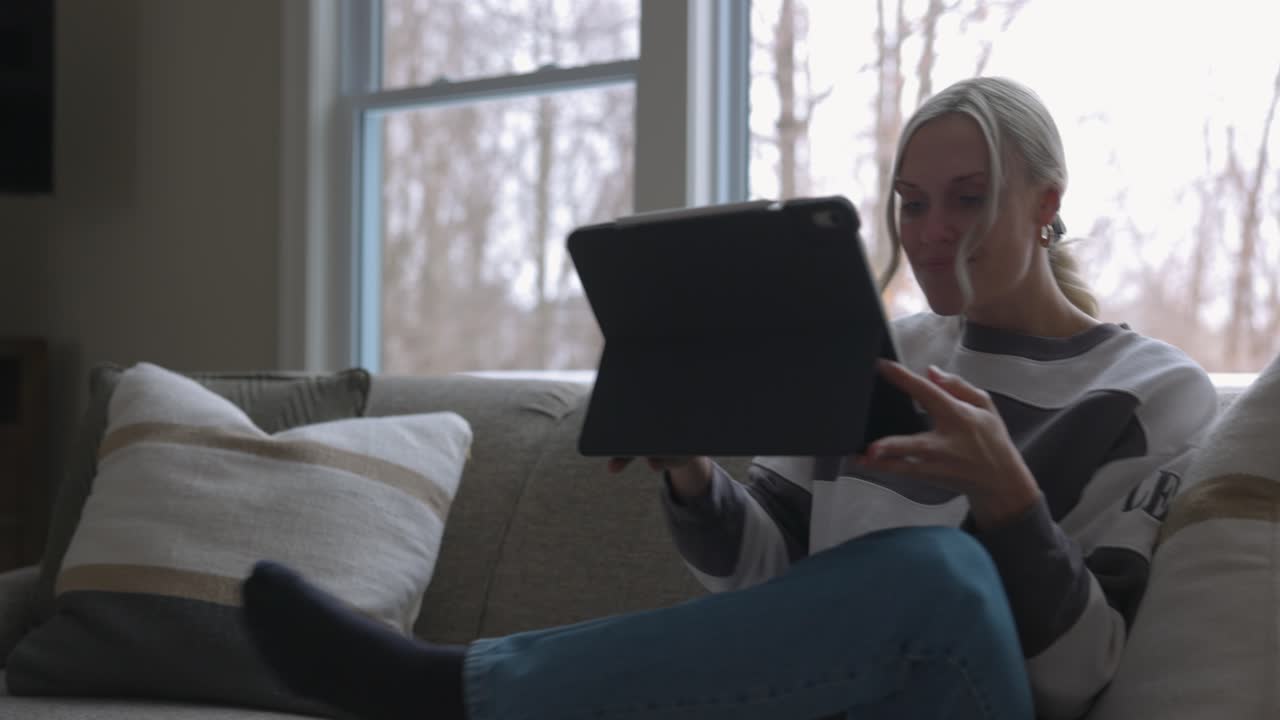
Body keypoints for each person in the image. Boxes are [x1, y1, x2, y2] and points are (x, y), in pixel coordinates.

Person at [238, 77, 1218, 720]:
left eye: (967, 197)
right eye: (909, 203)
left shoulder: (1146, 396)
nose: (929, 232)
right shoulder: (872, 353)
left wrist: (1007, 500)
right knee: (910, 573)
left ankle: (450, 687)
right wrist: (692, 475)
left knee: (935, 574)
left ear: (1045, 204)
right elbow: (769, 598)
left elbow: (1084, 675)